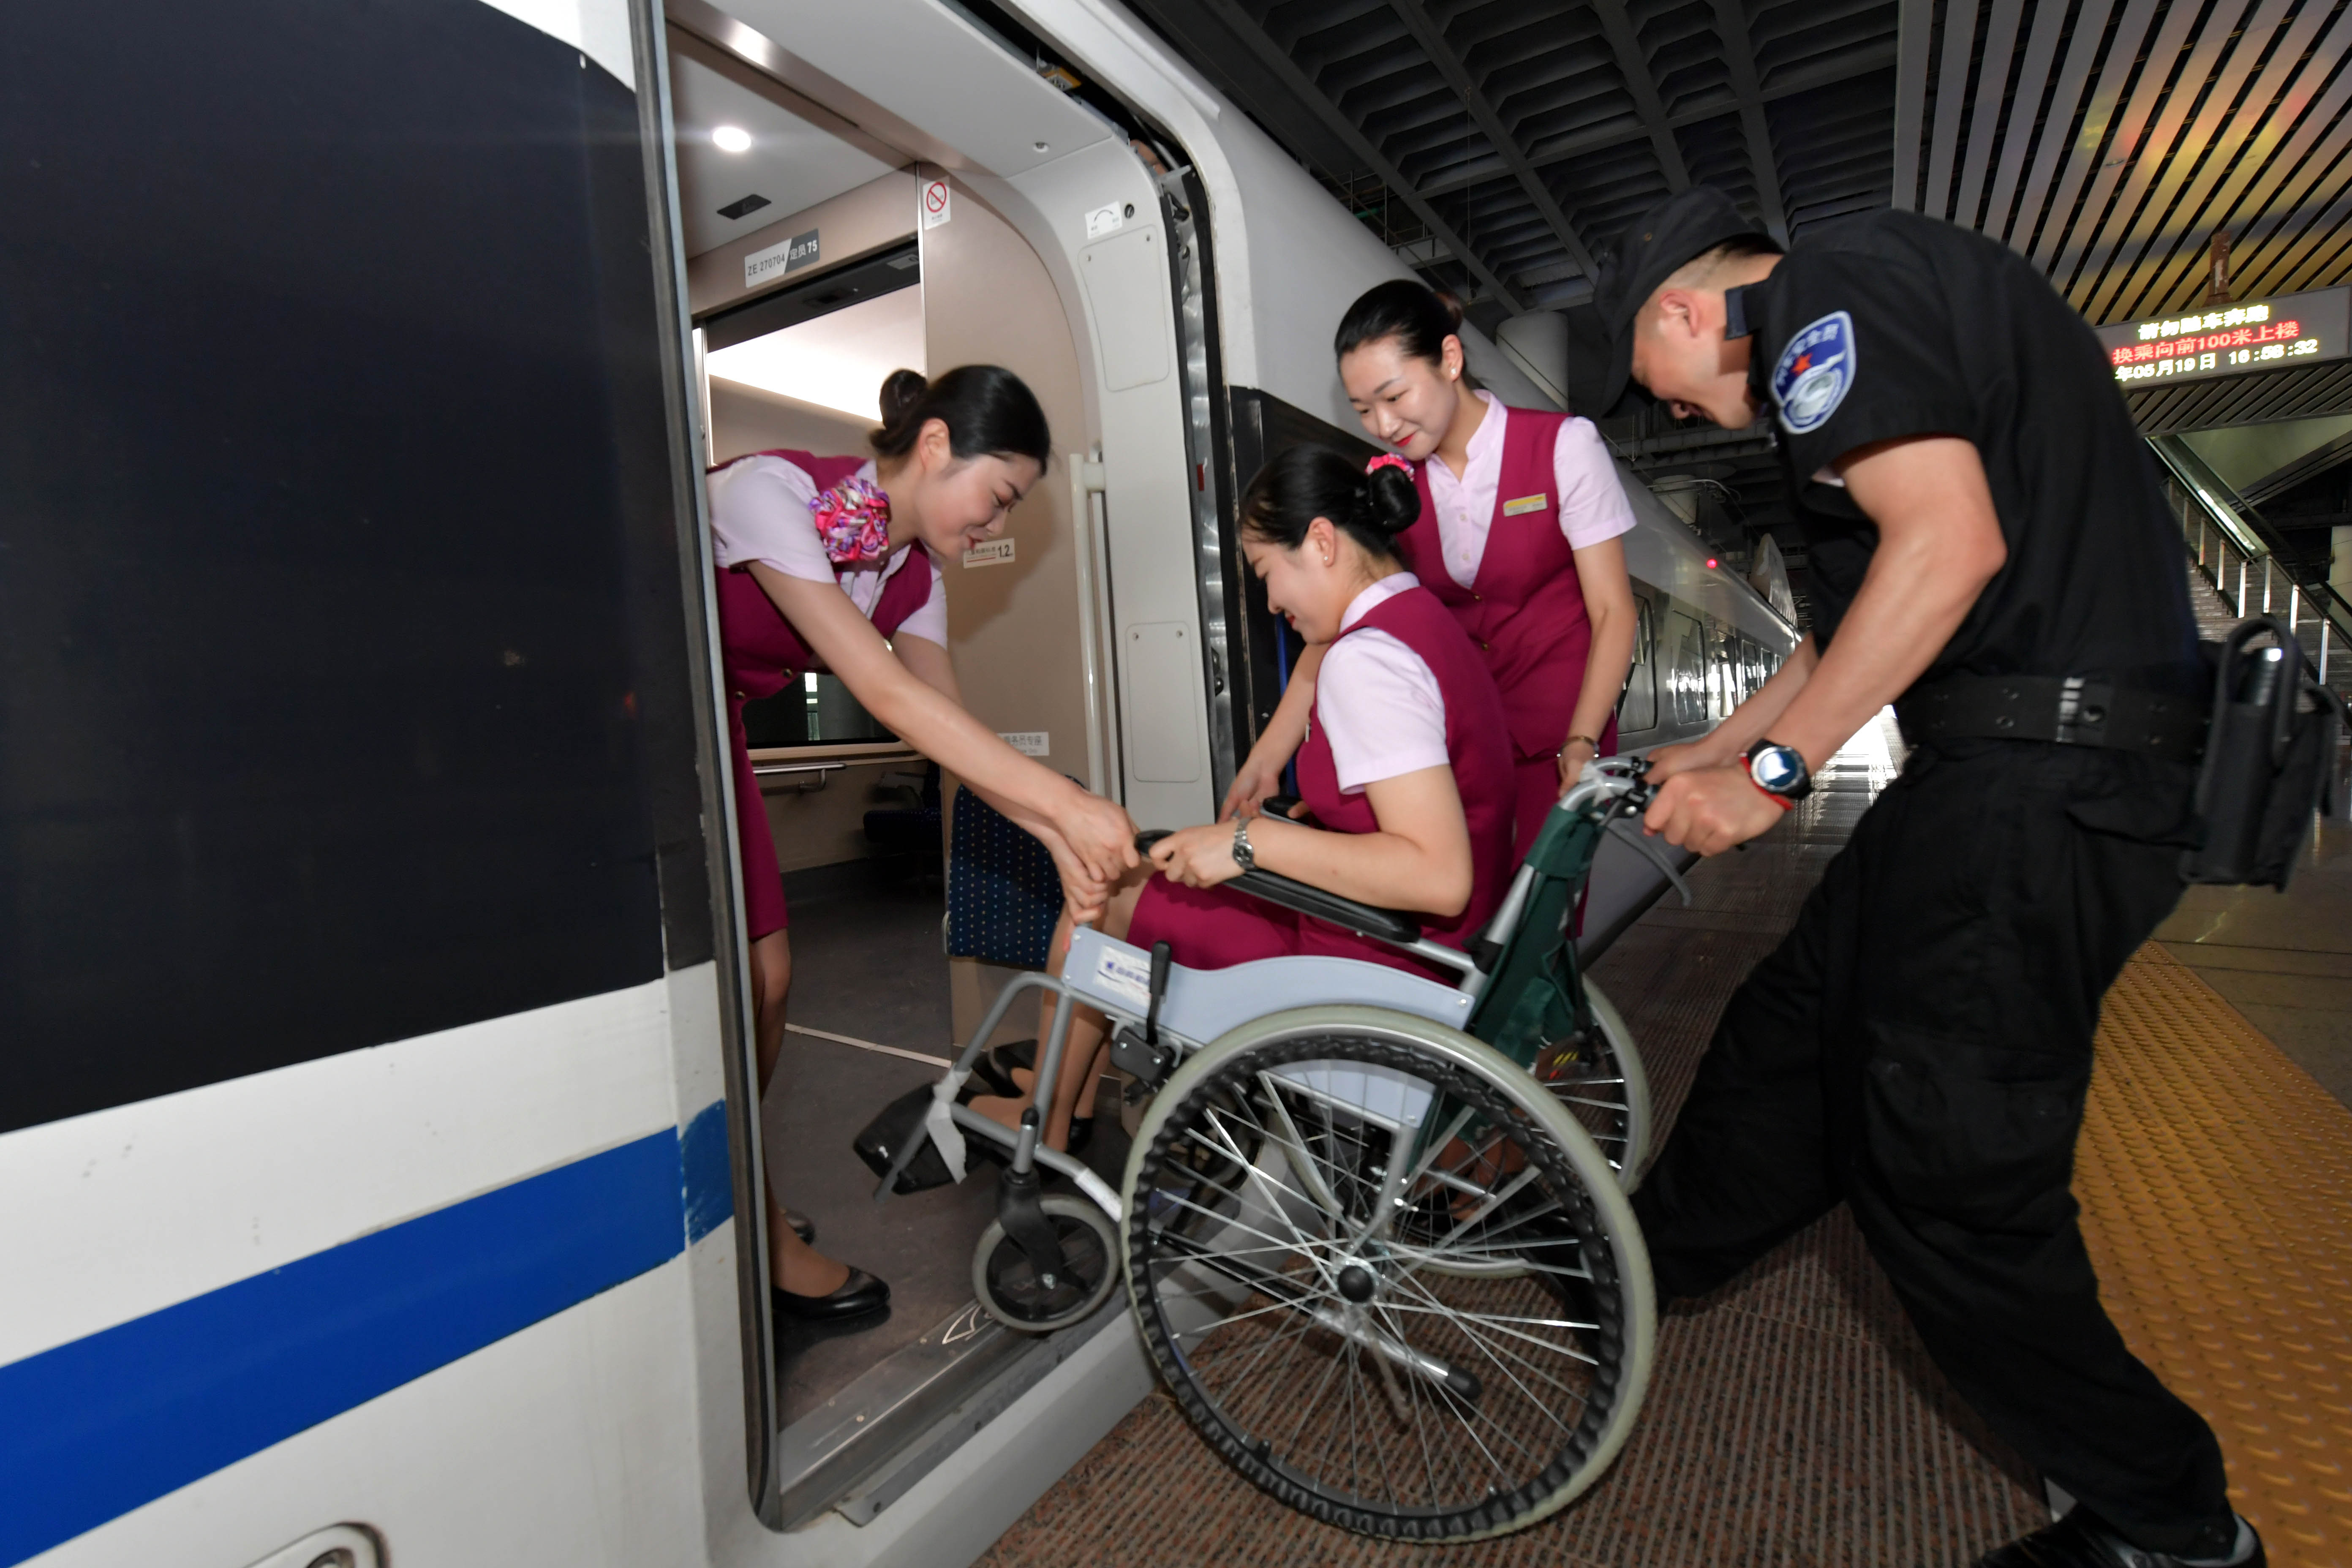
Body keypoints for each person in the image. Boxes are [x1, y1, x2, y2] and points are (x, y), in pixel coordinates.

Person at [1598, 188, 2259, 1568]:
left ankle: (2168, 1525)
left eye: (1669, 397)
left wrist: (1771, 780)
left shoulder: (1825, 291)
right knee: (1792, 1032)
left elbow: (1944, 546)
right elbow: (1842, 631)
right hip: (1995, 774)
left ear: (1676, 310)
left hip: (2043, 779)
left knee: (1944, 1172)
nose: (1699, 424)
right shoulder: (1878, 309)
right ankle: (1633, 1270)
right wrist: (1705, 753)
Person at [709, 365, 1137, 1320]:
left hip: (714, 723)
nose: (995, 525)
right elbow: (886, 691)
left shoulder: (914, 574)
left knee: (767, 982)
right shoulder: (768, 494)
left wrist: (1053, 824)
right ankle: (745, 1214)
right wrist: (1065, 814)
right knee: (745, 983)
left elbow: (950, 728)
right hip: (640, 711)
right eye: (999, 497)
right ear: (936, 443)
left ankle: (735, 1195)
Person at [976, 444, 1515, 1151]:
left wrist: (1247, 842)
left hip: (1374, 972)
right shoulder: (1422, 620)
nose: (1272, 602)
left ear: (1321, 542)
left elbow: (1438, 878)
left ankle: (1047, 1120)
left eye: (1267, 573)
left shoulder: (1368, 663)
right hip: (1430, 956)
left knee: (1105, 893)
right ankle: (1060, 1095)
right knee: (1139, 885)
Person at [1224, 280, 1639, 858]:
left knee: (1536, 919)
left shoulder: (1563, 447)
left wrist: (1584, 738)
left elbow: (1613, 611)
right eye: (1364, 409)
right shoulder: (1389, 485)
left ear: (1449, 359)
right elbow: (1341, 620)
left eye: (1394, 397)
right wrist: (1266, 759)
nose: (1384, 424)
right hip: (1459, 742)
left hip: (1560, 738)